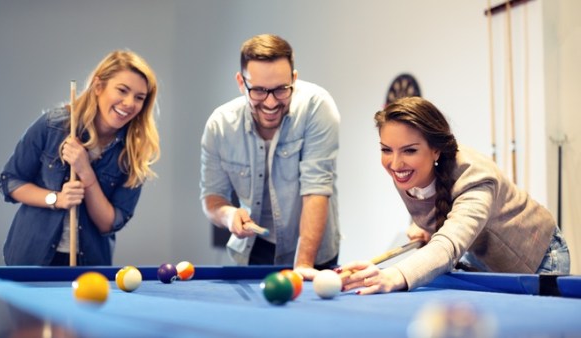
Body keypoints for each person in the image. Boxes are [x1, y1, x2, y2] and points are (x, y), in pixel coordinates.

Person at [340, 96, 570, 294]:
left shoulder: (476, 176)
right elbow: (441, 210)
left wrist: (393, 275)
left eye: (409, 150)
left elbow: (449, 243)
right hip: (480, 257)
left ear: (435, 150)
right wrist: (428, 227)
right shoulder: (405, 172)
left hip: (538, 258)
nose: (395, 163)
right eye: (386, 149)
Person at [0, 50, 161, 266]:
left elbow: (109, 223)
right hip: (30, 258)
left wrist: (85, 172)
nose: (129, 103)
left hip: (89, 265)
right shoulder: (52, 126)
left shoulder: (134, 152)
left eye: (139, 98)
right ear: (98, 86)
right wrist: (56, 199)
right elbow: (10, 182)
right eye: (122, 90)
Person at [200, 34, 341, 280]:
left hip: (313, 251)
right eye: (259, 91)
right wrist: (229, 215)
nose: (270, 102)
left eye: (280, 90)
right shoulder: (219, 126)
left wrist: (303, 267)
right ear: (241, 83)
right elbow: (212, 197)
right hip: (254, 250)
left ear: (293, 80)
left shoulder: (317, 107)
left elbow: (316, 189)